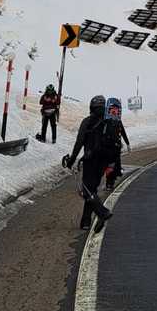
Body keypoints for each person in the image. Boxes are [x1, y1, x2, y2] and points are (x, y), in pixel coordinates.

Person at [62, 95, 116, 231]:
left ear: (91, 107)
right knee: (92, 189)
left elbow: (79, 141)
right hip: (103, 161)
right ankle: (85, 222)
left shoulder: (88, 121)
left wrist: (72, 159)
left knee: (87, 190)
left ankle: (102, 212)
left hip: (91, 159)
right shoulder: (109, 122)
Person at [102, 97, 131, 189]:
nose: (114, 112)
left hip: (116, 149)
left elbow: (123, 133)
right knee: (110, 166)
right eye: (112, 110)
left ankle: (111, 182)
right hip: (108, 148)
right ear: (108, 110)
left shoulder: (118, 122)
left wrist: (127, 143)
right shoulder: (105, 122)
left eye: (116, 110)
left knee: (115, 166)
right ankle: (109, 183)